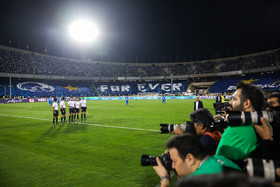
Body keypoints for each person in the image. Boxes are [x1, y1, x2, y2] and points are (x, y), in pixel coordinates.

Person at [153, 133, 241, 187]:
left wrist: (165, 179)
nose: (172, 166)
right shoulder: (220, 159)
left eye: (174, 161)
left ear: (190, 158)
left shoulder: (197, 181)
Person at [215, 81, 265, 161]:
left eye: (234, 99)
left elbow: (218, 166)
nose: (230, 102)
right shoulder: (261, 126)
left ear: (246, 103)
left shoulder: (237, 130)